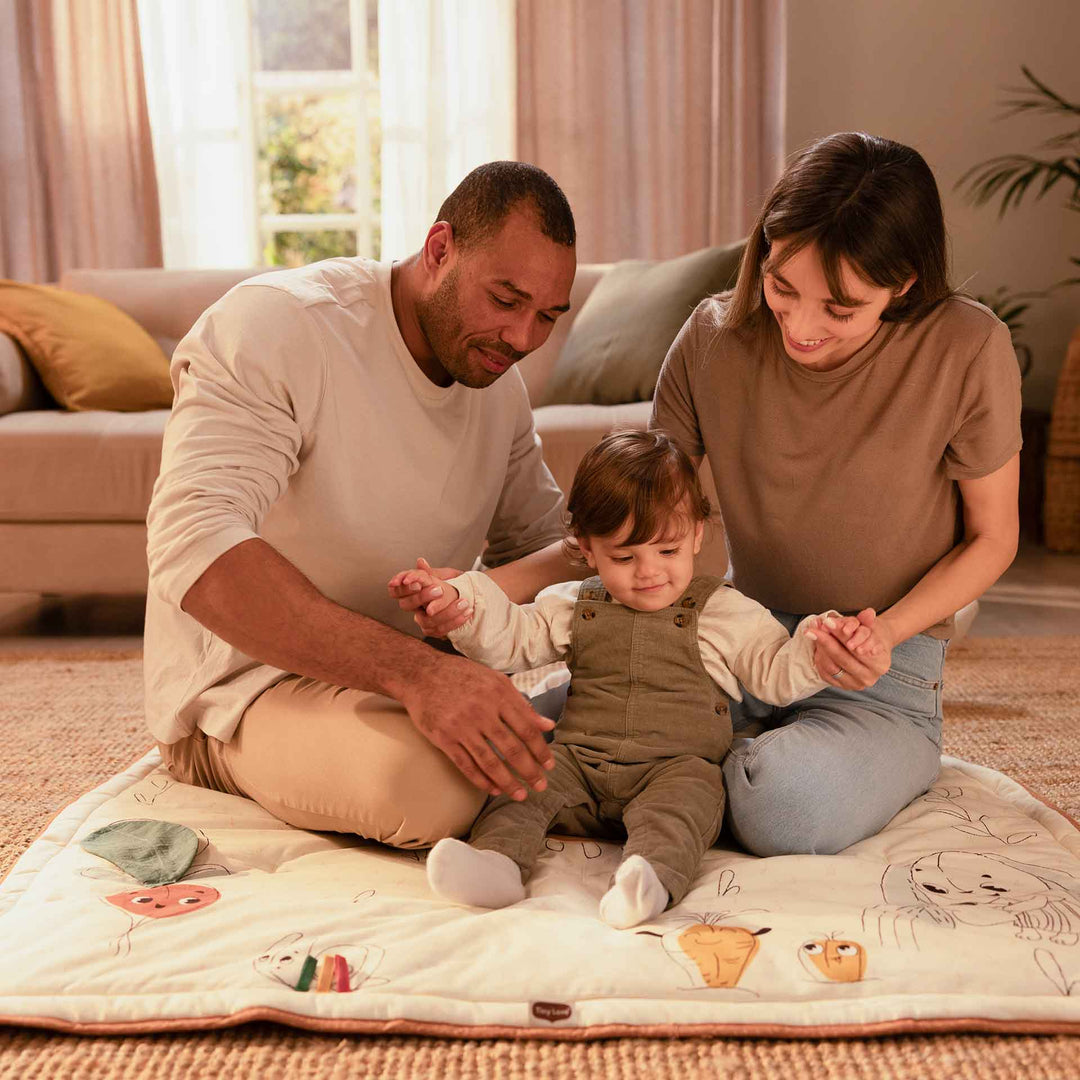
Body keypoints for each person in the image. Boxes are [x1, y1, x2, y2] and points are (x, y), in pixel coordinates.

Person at [144, 161, 582, 849]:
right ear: (441, 250)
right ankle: (223, 758)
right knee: (436, 787)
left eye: (547, 317)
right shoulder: (280, 326)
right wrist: (420, 674)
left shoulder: (496, 381)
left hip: (402, 678)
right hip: (248, 689)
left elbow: (538, 552)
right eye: (505, 300)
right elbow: (192, 544)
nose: (523, 339)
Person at [651, 131, 1022, 857]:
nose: (802, 326)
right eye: (782, 287)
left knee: (783, 808)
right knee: (541, 729)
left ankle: (678, 771)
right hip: (739, 639)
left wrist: (883, 634)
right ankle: (696, 755)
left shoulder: (968, 348)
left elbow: (994, 537)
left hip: (883, 671)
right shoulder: (711, 336)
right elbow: (638, 510)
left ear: (905, 283)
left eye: (840, 309)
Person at [390, 430, 852, 927]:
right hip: (580, 761)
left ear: (698, 533)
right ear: (587, 549)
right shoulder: (575, 603)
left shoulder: (723, 611)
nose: (649, 572)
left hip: (674, 766)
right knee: (521, 786)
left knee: (685, 808)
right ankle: (497, 864)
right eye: (625, 557)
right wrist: (461, 603)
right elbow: (511, 639)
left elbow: (773, 674)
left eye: (667, 551)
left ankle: (647, 880)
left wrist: (817, 651)